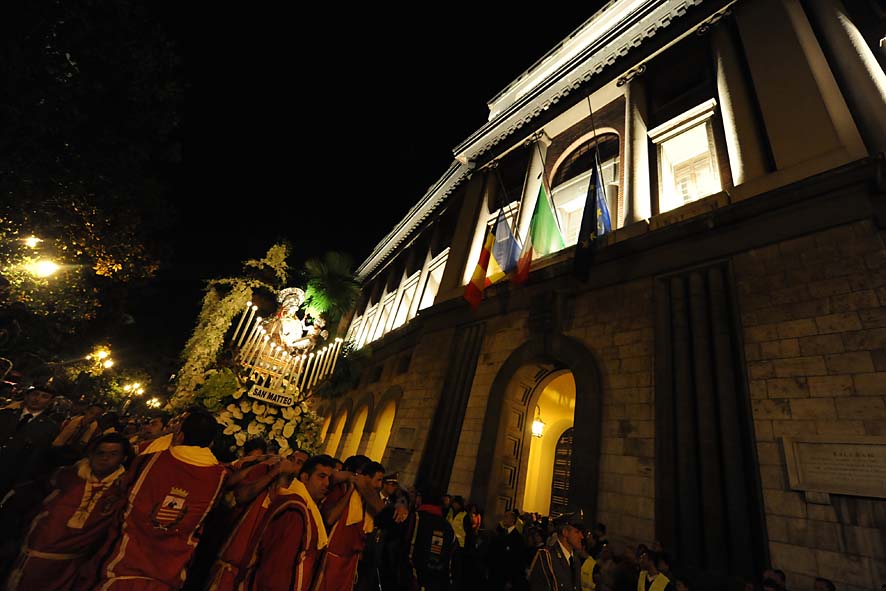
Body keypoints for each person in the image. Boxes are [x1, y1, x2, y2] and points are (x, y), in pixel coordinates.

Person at [88, 410, 229, 590]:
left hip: (124, 559)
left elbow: (119, 492)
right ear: (211, 443)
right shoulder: (219, 477)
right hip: (170, 570)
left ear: (180, 435)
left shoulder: (149, 460)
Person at [4, 433, 132, 591]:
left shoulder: (125, 489)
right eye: (100, 453)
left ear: (124, 458)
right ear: (91, 454)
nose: (105, 458)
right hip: (30, 553)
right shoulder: (65, 476)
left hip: (71, 566)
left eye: (113, 454)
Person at [202, 450, 308, 591]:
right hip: (228, 569)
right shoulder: (264, 478)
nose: (292, 463)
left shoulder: (295, 502)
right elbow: (240, 495)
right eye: (291, 458)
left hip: (252, 578)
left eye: (299, 463)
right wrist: (272, 471)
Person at [242, 454, 336, 590]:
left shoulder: (305, 507)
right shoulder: (294, 510)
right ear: (304, 477)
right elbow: (277, 567)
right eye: (321, 477)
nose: (327, 484)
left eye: (329, 479)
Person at [313, 457, 386, 591]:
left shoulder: (369, 501)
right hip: (331, 559)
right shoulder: (342, 489)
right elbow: (329, 519)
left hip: (350, 562)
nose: (379, 486)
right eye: (378, 480)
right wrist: (349, 493)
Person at [0, 383, 60, 499]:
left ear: (50, 402)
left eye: (44, 396)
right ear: (27, 396)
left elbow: (35, 457)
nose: (37, 399)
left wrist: (18, 485)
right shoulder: (5, 414)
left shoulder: (49, 427)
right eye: (35, 394)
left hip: (8, 475)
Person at [528, 509, 584, 591]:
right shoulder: (547, 556)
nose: (582, 536)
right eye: (577, 532)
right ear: (565, 532)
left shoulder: (575, 560)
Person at [411, 494, 456, 591]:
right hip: (436, 582)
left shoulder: (415, 519)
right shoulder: (448, 527)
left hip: (413, 579)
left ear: (420, 499)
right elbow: (451, 561)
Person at [488, 508, 528, 591]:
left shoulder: (517, 538)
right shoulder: (502, 534)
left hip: (506, 576)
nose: (503, 519)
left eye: (506, 517)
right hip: (496, 573)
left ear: (512, 520)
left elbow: (516, 560)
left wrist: (511, 580)